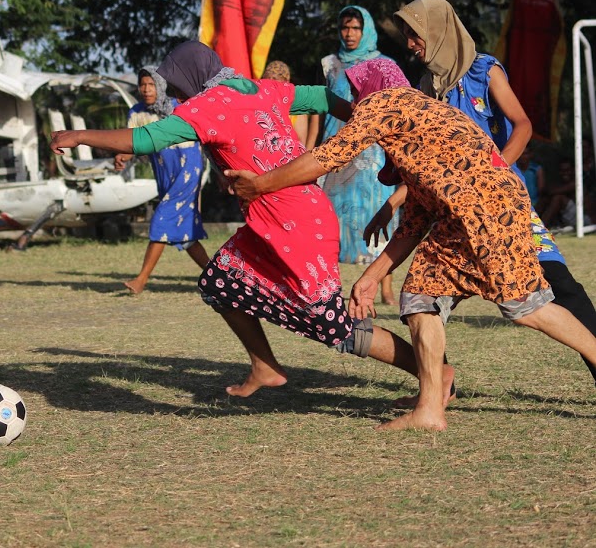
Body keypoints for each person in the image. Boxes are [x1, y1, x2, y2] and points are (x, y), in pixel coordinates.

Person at [51, 41, 450, 404]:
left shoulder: (205, 107)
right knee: (217, 282)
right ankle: (265, 367)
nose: (173, 93)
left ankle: (434, 373)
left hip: (295, 226)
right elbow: (324, 98)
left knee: (335, 328)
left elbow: (146, 140)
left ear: (191, 78)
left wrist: (81, 134)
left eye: (175, 84)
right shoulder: (261, 90)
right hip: (286, 218)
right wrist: (368, 127)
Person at [226, 57, 596, 431]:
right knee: (421, 298)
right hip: (472, 213)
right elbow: (414, 223)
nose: (354, 104)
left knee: (526, 306)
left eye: (356, 92)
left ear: (368, 87)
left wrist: (259, 185)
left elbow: (329, 157)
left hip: (486, 212)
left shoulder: (384, 102)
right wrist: (371, 277)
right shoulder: (420, 118)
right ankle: (430, 410)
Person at [368, 0, 596, 386]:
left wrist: (494, 168)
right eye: (407, 35)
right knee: (425, 294)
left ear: (438, 29)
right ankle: (439, 388)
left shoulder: (483, 70)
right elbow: (429, 165)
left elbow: (522, 125)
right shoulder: (425, 88)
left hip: (501, 204)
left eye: (415, 34)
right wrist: (393, 201)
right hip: (453, 214)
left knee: (560, 285)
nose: (410, 44)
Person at [318, 6, 397, 305]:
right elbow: (320, 106)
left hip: (373, 154)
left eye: (355, 28)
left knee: (379, 214)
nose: (349, 34)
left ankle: (385, 288)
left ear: (366, 31)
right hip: (336, 150)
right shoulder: (329, 64)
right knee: (332, 218)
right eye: (344, 28)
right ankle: (331, 285)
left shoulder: (385, 64)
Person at [114, 66, 209, 294]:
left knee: (162, 219)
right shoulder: (137, 113)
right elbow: (134, 145)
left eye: (151, 84)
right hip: (164, 171)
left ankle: (141, 280)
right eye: (143, 85)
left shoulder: (180, 106)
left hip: (188, 168)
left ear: (160, 85)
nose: (146, 90)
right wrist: (123, 156)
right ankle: (217, 277)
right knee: (185, 234)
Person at [261, 60, 318, 149]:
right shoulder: (260, 105)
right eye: (267, 79)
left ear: (286, 82)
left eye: (275, 79)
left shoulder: (296, 109)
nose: (270, 84)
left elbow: (300, 143)